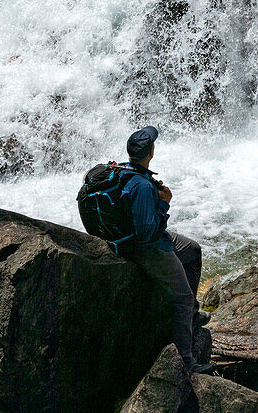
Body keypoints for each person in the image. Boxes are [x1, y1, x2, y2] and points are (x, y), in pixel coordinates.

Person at [77, 125, 212, 376]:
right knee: (182, 298)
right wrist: (163, 204)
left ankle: (192, 316)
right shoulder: (141, 186)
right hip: (143, 248)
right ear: (151, 151)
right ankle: (187, 362)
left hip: (124, 237)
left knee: (191, 250)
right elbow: (147, 234)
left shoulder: (123, 171)